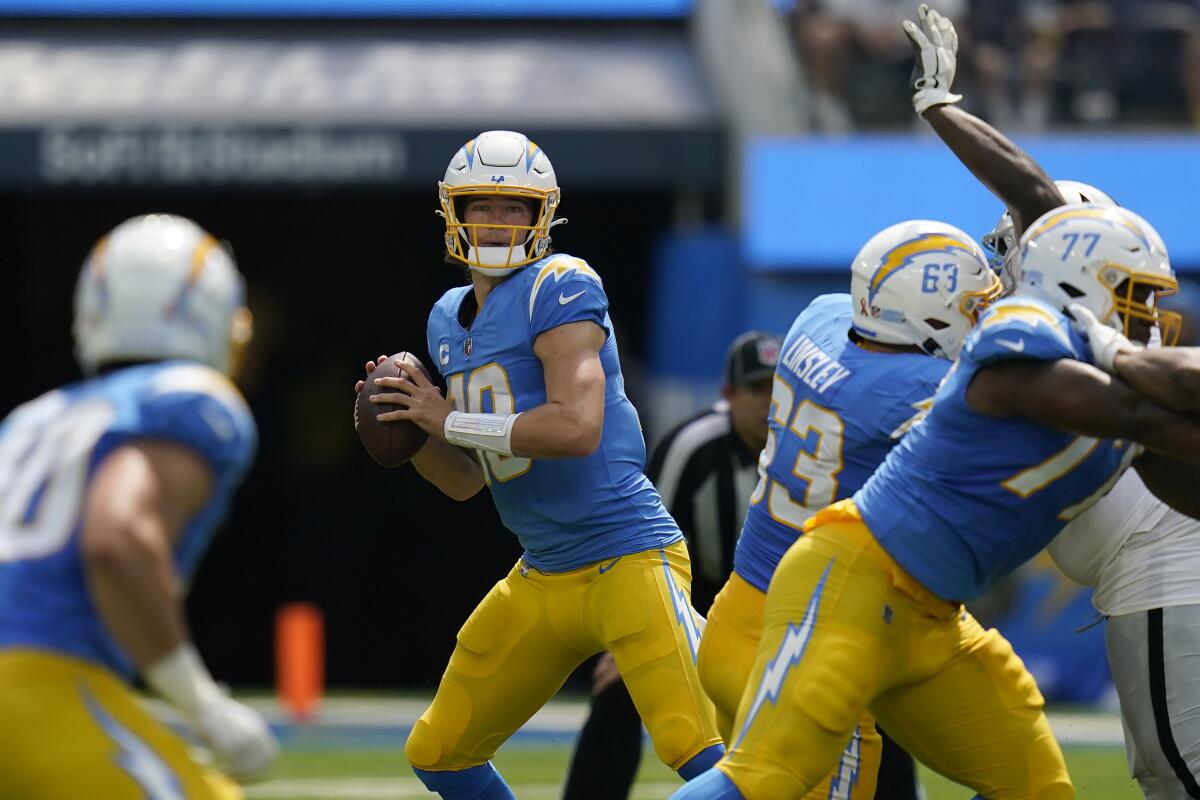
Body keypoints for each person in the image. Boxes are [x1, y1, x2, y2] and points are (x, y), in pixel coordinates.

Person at [358, 130, 723, 800]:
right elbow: (467, 479)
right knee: (440, 753)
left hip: (627, 558)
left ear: (542, 217)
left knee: (708, 757)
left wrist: (447, 418)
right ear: (452, 212)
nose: (496, 221)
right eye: (482, 205)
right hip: (543, 570)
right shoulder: (446, 317)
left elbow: (577, 429)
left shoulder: (560, 284)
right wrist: (414, 430)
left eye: (514, 208)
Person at [697, 220, 1000, 800]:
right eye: (970, 307)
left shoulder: (820, 316)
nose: (979, 319)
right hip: (806, 636)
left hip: (746, 614)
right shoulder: (918, 388)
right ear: (928, 314)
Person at [0, 214, 278, 799]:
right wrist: (202, 704)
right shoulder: (191, 399)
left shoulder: (32, 419)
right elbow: (118, 537)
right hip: (34, 683)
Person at [561, 330, 779, 800]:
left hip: (781, 611)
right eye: (757, 389)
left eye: (778, 390)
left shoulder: (807, 449)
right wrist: (632, 640)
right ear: (728, 395)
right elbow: (644, 543)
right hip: (691, 601)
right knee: (619, 690)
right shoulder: (694, 448)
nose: (769, 403)